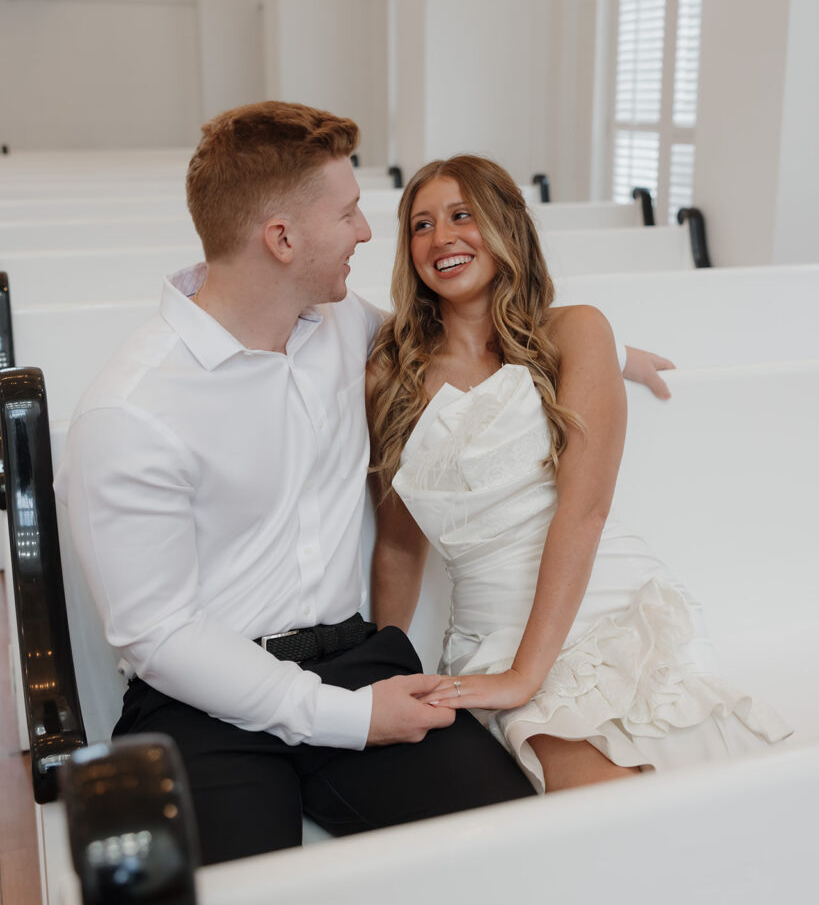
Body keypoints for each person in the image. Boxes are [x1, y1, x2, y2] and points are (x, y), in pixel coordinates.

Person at [56, 100, 676, 864]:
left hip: (351, 661)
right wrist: (342, 717)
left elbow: (471, 342)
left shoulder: (343, 328)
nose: (363, 232)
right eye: (348, 213)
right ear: (281, 239)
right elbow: (161, 635)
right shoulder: (130, 411)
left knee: (522, 853)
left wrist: (604, 352)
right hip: (203, 699)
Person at [366, 154, 791, 793]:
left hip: (607, 603)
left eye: (462, 215)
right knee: (595, 802)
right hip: (492, 632)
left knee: (684, 798)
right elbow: (399, 546)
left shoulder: (576, 330)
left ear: (504, 224)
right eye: (421, 225)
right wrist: (383, 668)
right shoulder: (390, 373)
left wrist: (526, 676)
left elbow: (583, 511)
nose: (442, 238)